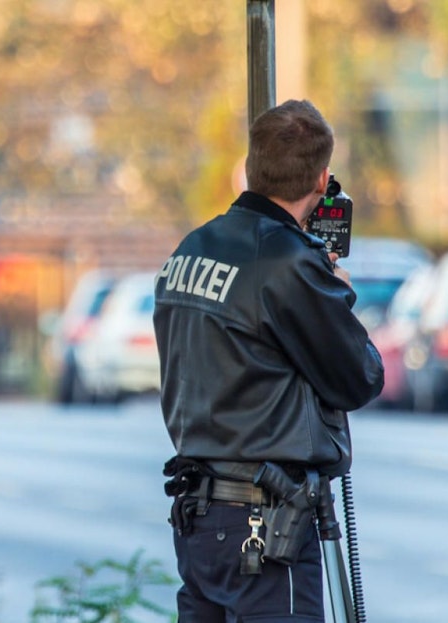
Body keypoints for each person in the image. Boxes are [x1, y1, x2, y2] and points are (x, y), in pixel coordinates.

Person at [153, 99, 384, 622]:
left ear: (252, 166)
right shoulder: (286, 263)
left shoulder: (191, 248)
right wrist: (335, 294)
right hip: (264, 525)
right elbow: (359, 378)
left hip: (199, 513)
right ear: (323, 179)